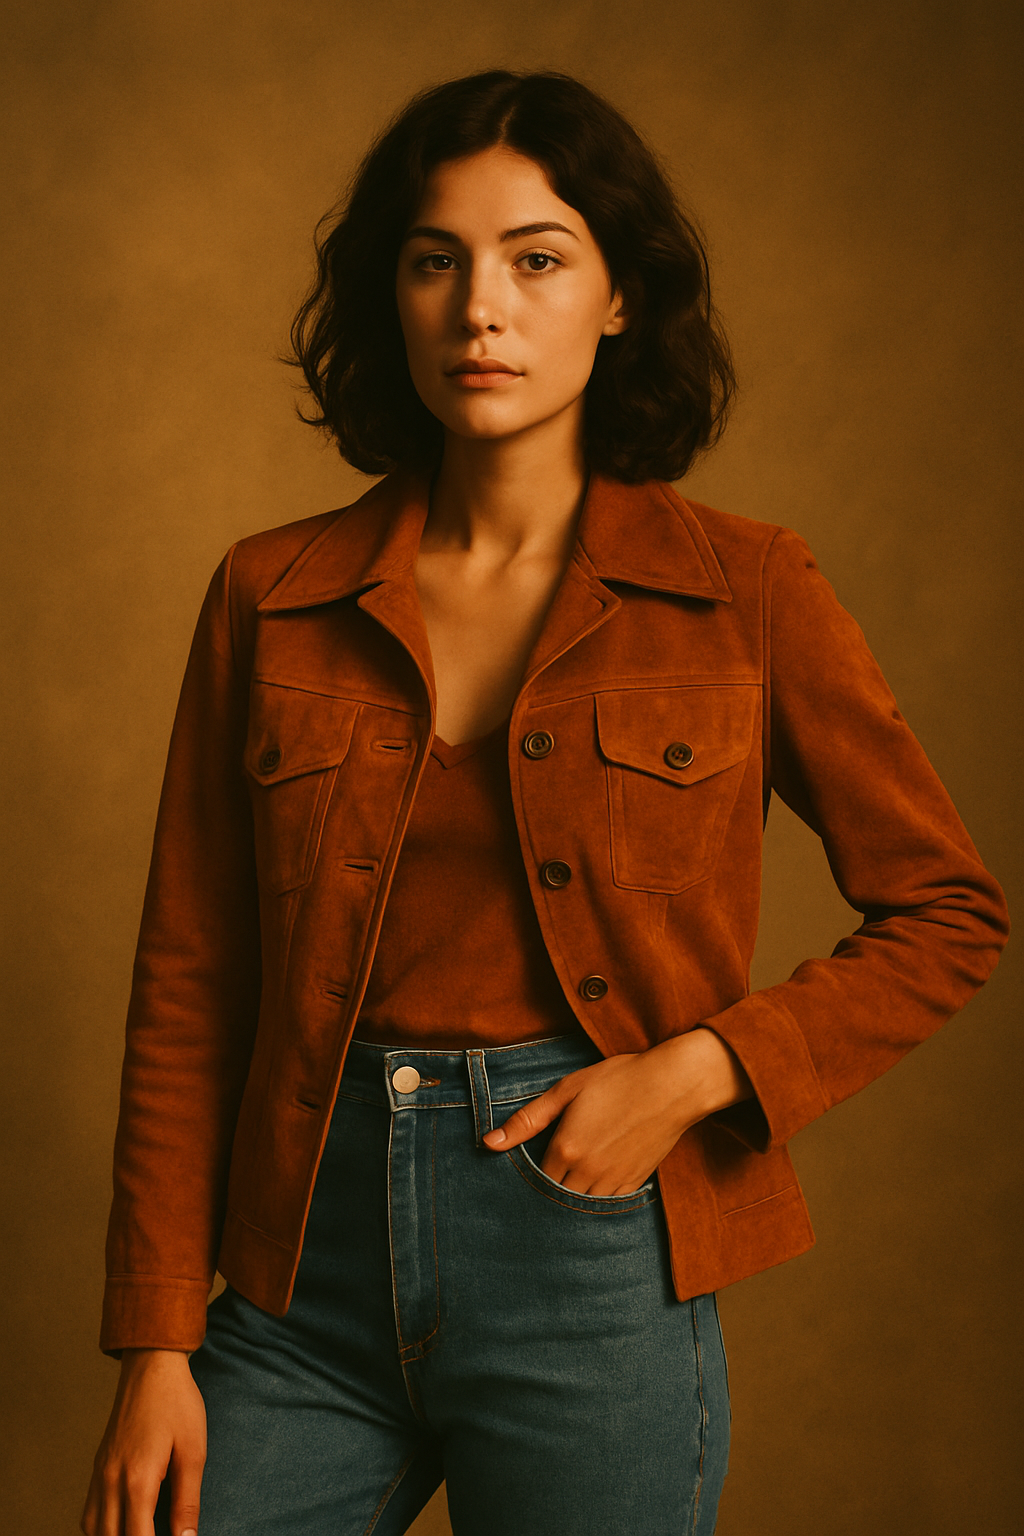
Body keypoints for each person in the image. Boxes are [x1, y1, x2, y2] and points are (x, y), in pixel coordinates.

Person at [81, 69, 1008, 1536]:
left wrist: (698, 1072)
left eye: (537, 257)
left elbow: (950, 912)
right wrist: (153, 1339)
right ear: (391, 290)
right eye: (435, 259)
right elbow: (193, 983)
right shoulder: (272, 596)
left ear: (620, 295)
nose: (478, 309)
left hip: (592, 1264)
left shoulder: (745, 590)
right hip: (296, 1266)